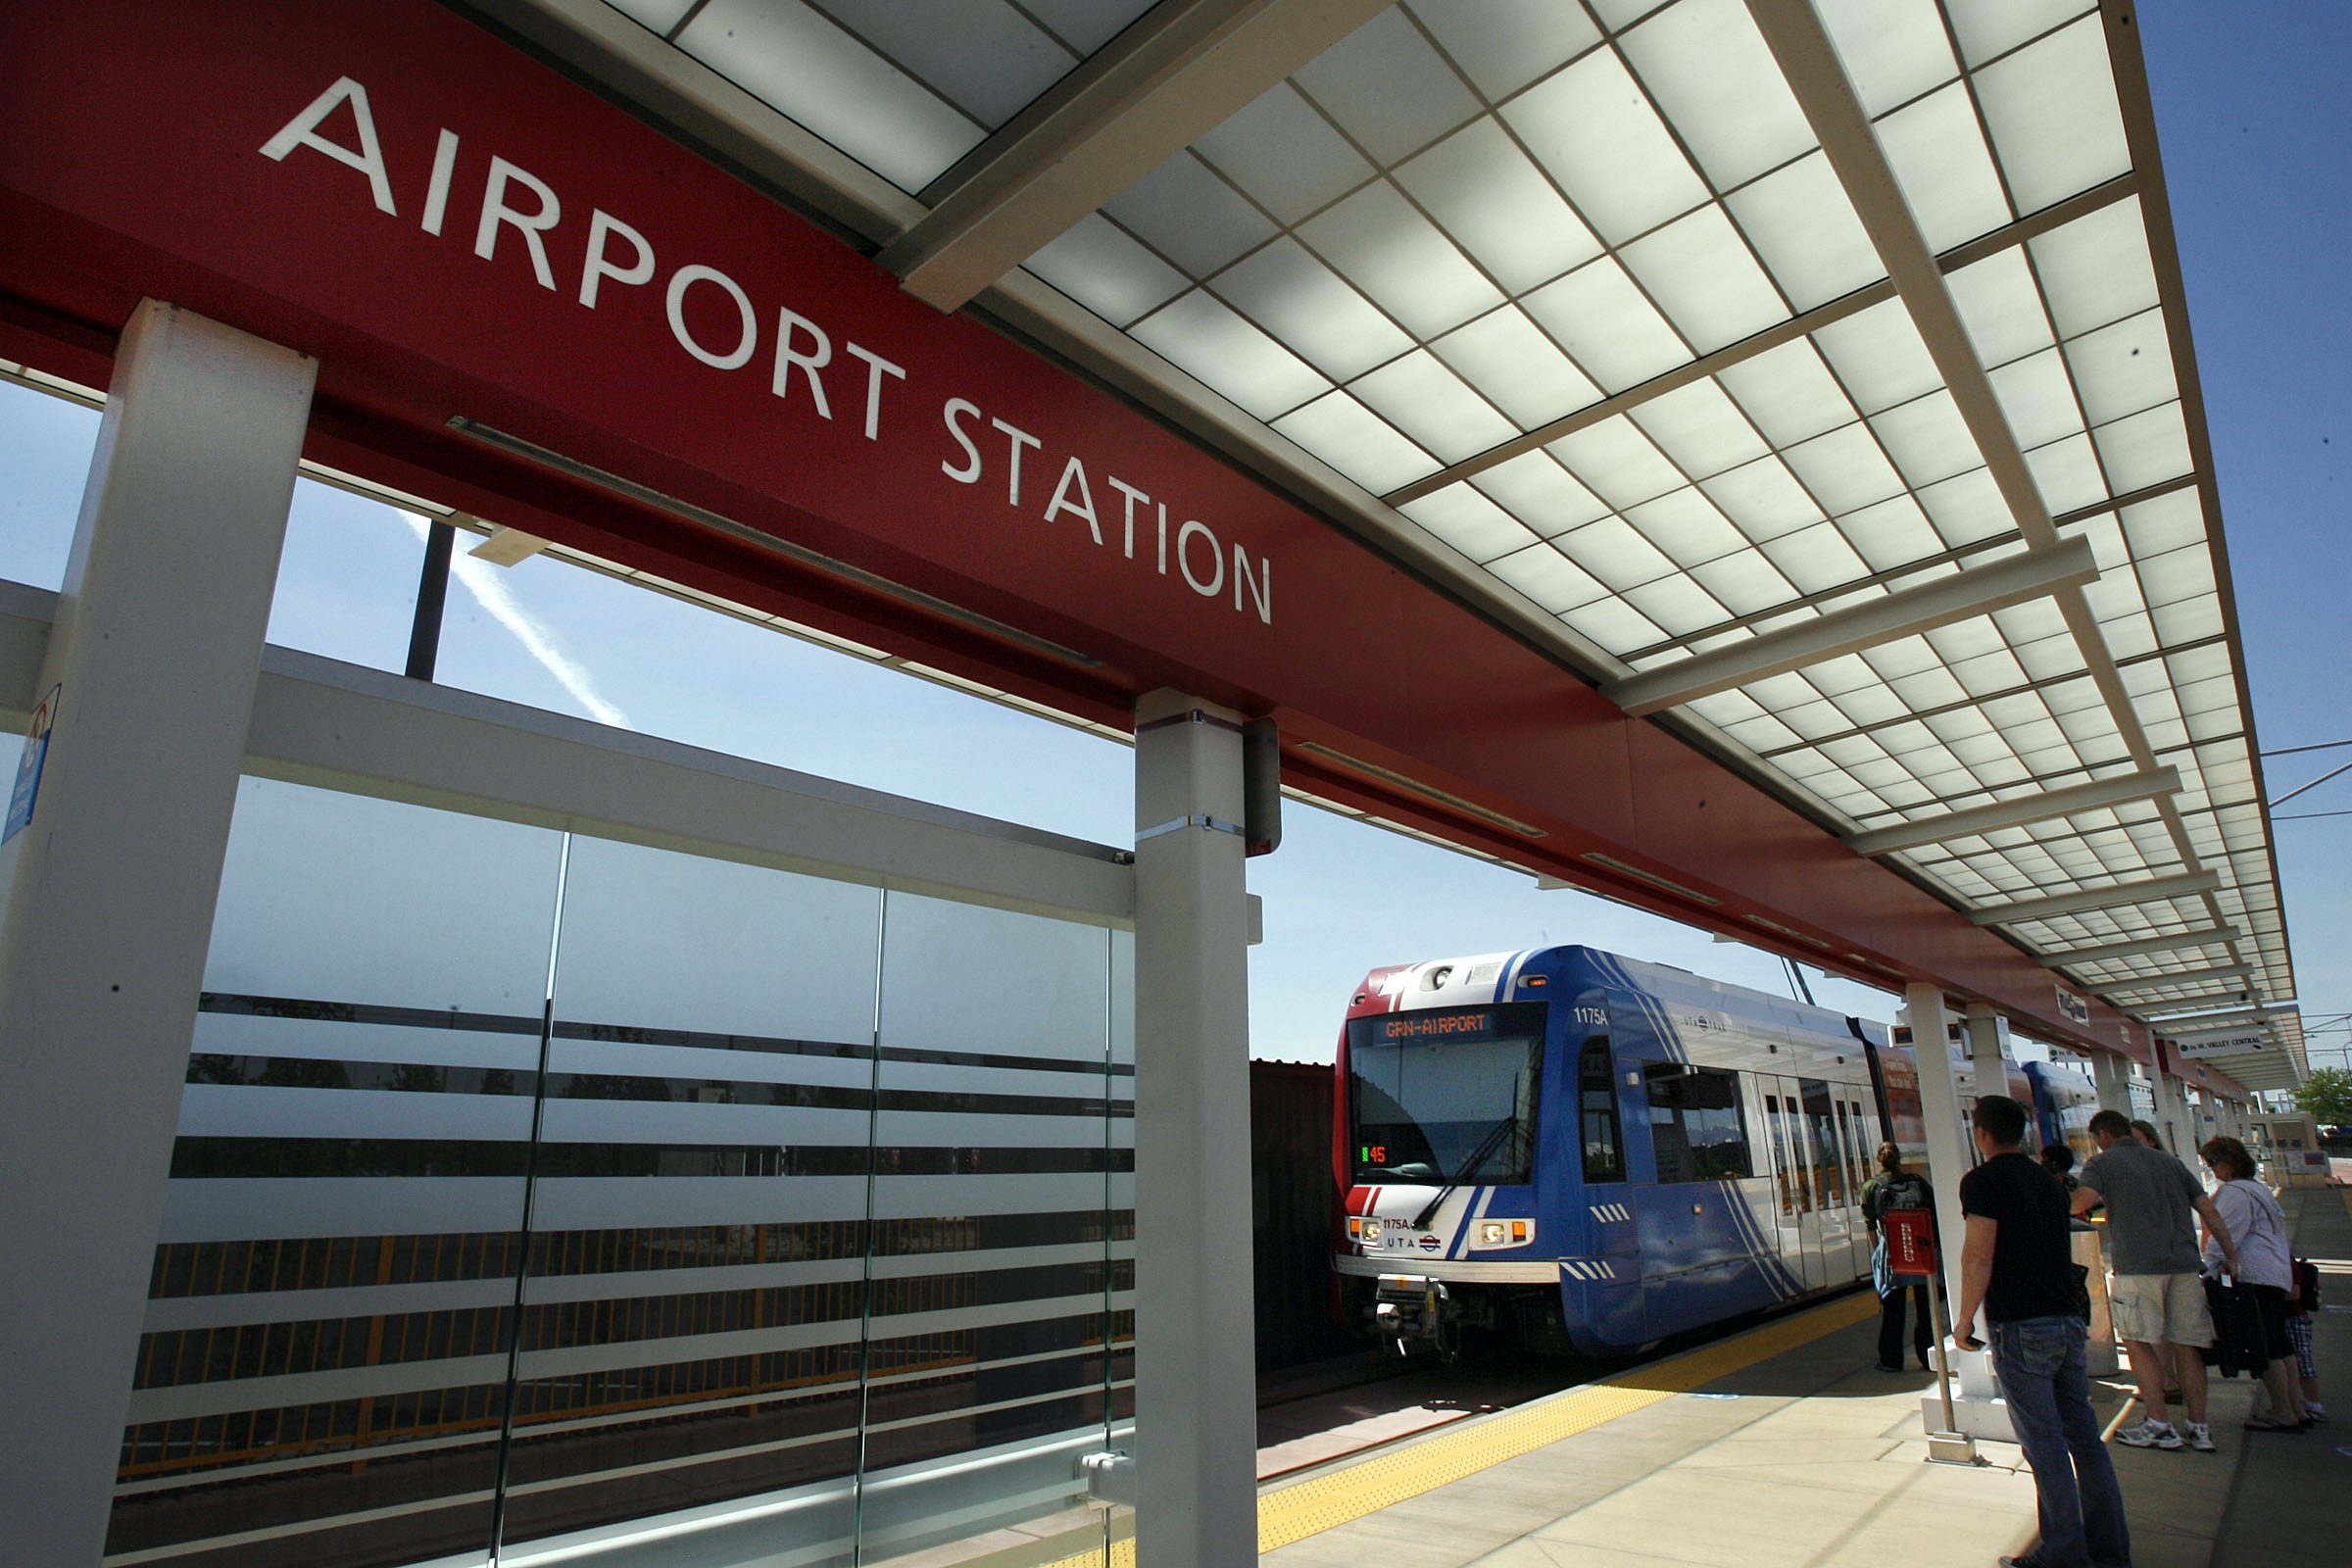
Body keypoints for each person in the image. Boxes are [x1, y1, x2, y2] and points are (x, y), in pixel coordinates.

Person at [1954, 1095, 2129, 1568]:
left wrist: (1966, 1318)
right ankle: (2110, 1551)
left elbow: (1978, 1255)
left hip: (2021, 1324)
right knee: (2085, 1440)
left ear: (1982, 1132)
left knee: (2045, 1445)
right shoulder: (2049, 1182)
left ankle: (2064, 1555)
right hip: (2068, 1320)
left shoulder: (1982, 1182)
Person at [2074, 1107, 2237, 1451]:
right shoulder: (2170, 1162)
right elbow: (2208, 1209)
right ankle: (2199, 1426)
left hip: (2138, 1268)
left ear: (2102, 1136)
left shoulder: (2102, 1164)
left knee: (2139, 1342)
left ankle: (2159, 1423)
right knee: (2187, 1346)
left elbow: (2082, 1202)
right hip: (2184, 1266)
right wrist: (2231, 1254)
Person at [2197, 1135, 2308, 1430]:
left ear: (2227, 1163)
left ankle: (2282, 1412)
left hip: (2254, 1275)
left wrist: (2208, 1270)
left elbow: (2226, 1234)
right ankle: (2298, 1408)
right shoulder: (2259, 1189)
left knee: (2265, 1344)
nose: (2211, 1170)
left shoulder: (2234, 1193)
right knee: (2281, 1344)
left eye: (2212, 1163)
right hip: (2275, 1272)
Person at [1861, 1142, 1934, 1372]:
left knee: (1894, 1309)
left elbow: (1871, 1226)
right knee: (1926, 1308)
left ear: (1879, 1160)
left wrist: (1879, 1254)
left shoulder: (1872, 1186)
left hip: (1893, 1253)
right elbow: (1931, 1212)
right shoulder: (1917, 1182)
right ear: (1900, 1159)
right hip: (1921, 1250)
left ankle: (1891, 1360)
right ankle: (1928, 1356)